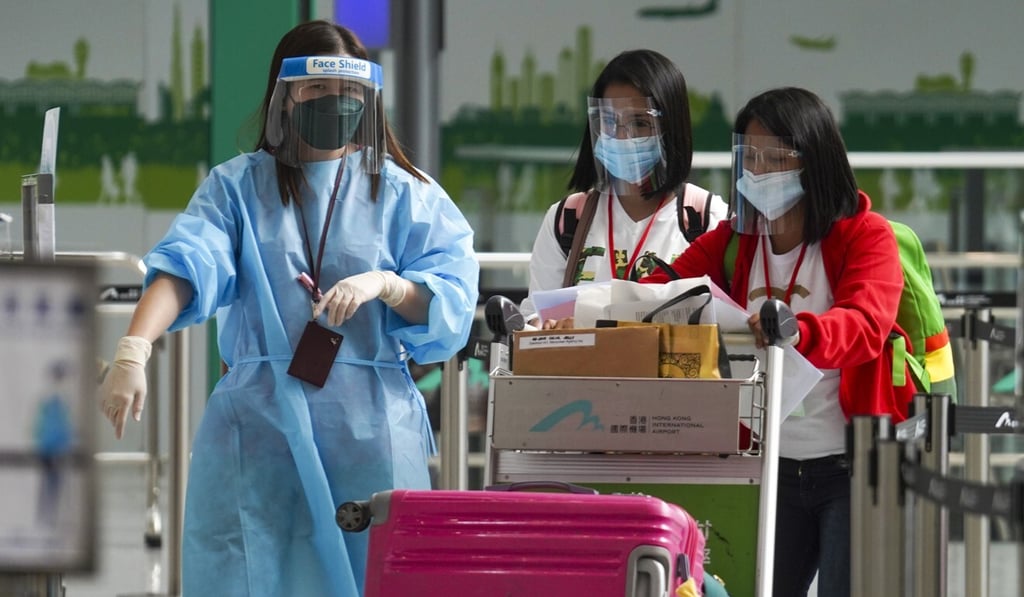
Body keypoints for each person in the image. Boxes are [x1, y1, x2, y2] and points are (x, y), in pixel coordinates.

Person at [97, 20, 478, 597]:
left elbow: (450, 301)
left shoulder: (406, 194)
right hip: (257, 429)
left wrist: (389, 285)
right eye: (316, 90)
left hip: (368, 430)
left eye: (349, 94)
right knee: (248, 570)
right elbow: (186, 265)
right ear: (285, 95)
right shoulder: (237, 189)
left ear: (370, 101)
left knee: (374, 571)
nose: (334, 103)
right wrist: (134, 348)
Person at [643, 86, 916, 597]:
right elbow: (665, 293)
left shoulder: (865, 235)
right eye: (751, 158)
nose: (760, 172)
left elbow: (865, 325)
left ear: (815, 161)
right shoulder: (736, 239)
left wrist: (797, 330)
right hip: (768, 464)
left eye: (777, 158)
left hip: (852, 467)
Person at [520, 49, 728, 328]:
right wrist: (544, 326)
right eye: (608, 121)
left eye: (640, 123)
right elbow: (534, 312)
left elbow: (727, 316)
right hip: (585, 369)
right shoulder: (568, 218)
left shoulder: (706, 217)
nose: (621, 136)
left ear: (671, 127)